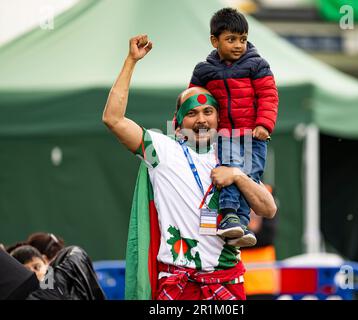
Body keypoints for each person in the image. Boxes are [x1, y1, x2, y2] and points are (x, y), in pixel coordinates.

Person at [103, 34, 277, 300]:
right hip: (178, 283)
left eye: (208, 112)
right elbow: (113, 119)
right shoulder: (160, 150)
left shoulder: (234, 154)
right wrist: (131, 61)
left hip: (226, 281)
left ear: (219, 118)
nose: (201, 119)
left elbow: (268, 208)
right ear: (179, 121)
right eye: (192, 113)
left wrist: (237, 176)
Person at [189, 8, 279, 247]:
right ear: (214, 40)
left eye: (243, 39)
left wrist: (264, 124)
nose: (238, 45)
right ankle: (229, 214)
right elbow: (192, 99)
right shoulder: (204, 71)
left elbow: (268, 96)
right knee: (231, 169)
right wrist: (182, 127)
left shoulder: (257, 65)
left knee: (251, 176)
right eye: (231, 39)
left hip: (254, 135)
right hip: (225, 134)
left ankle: (239, 222)